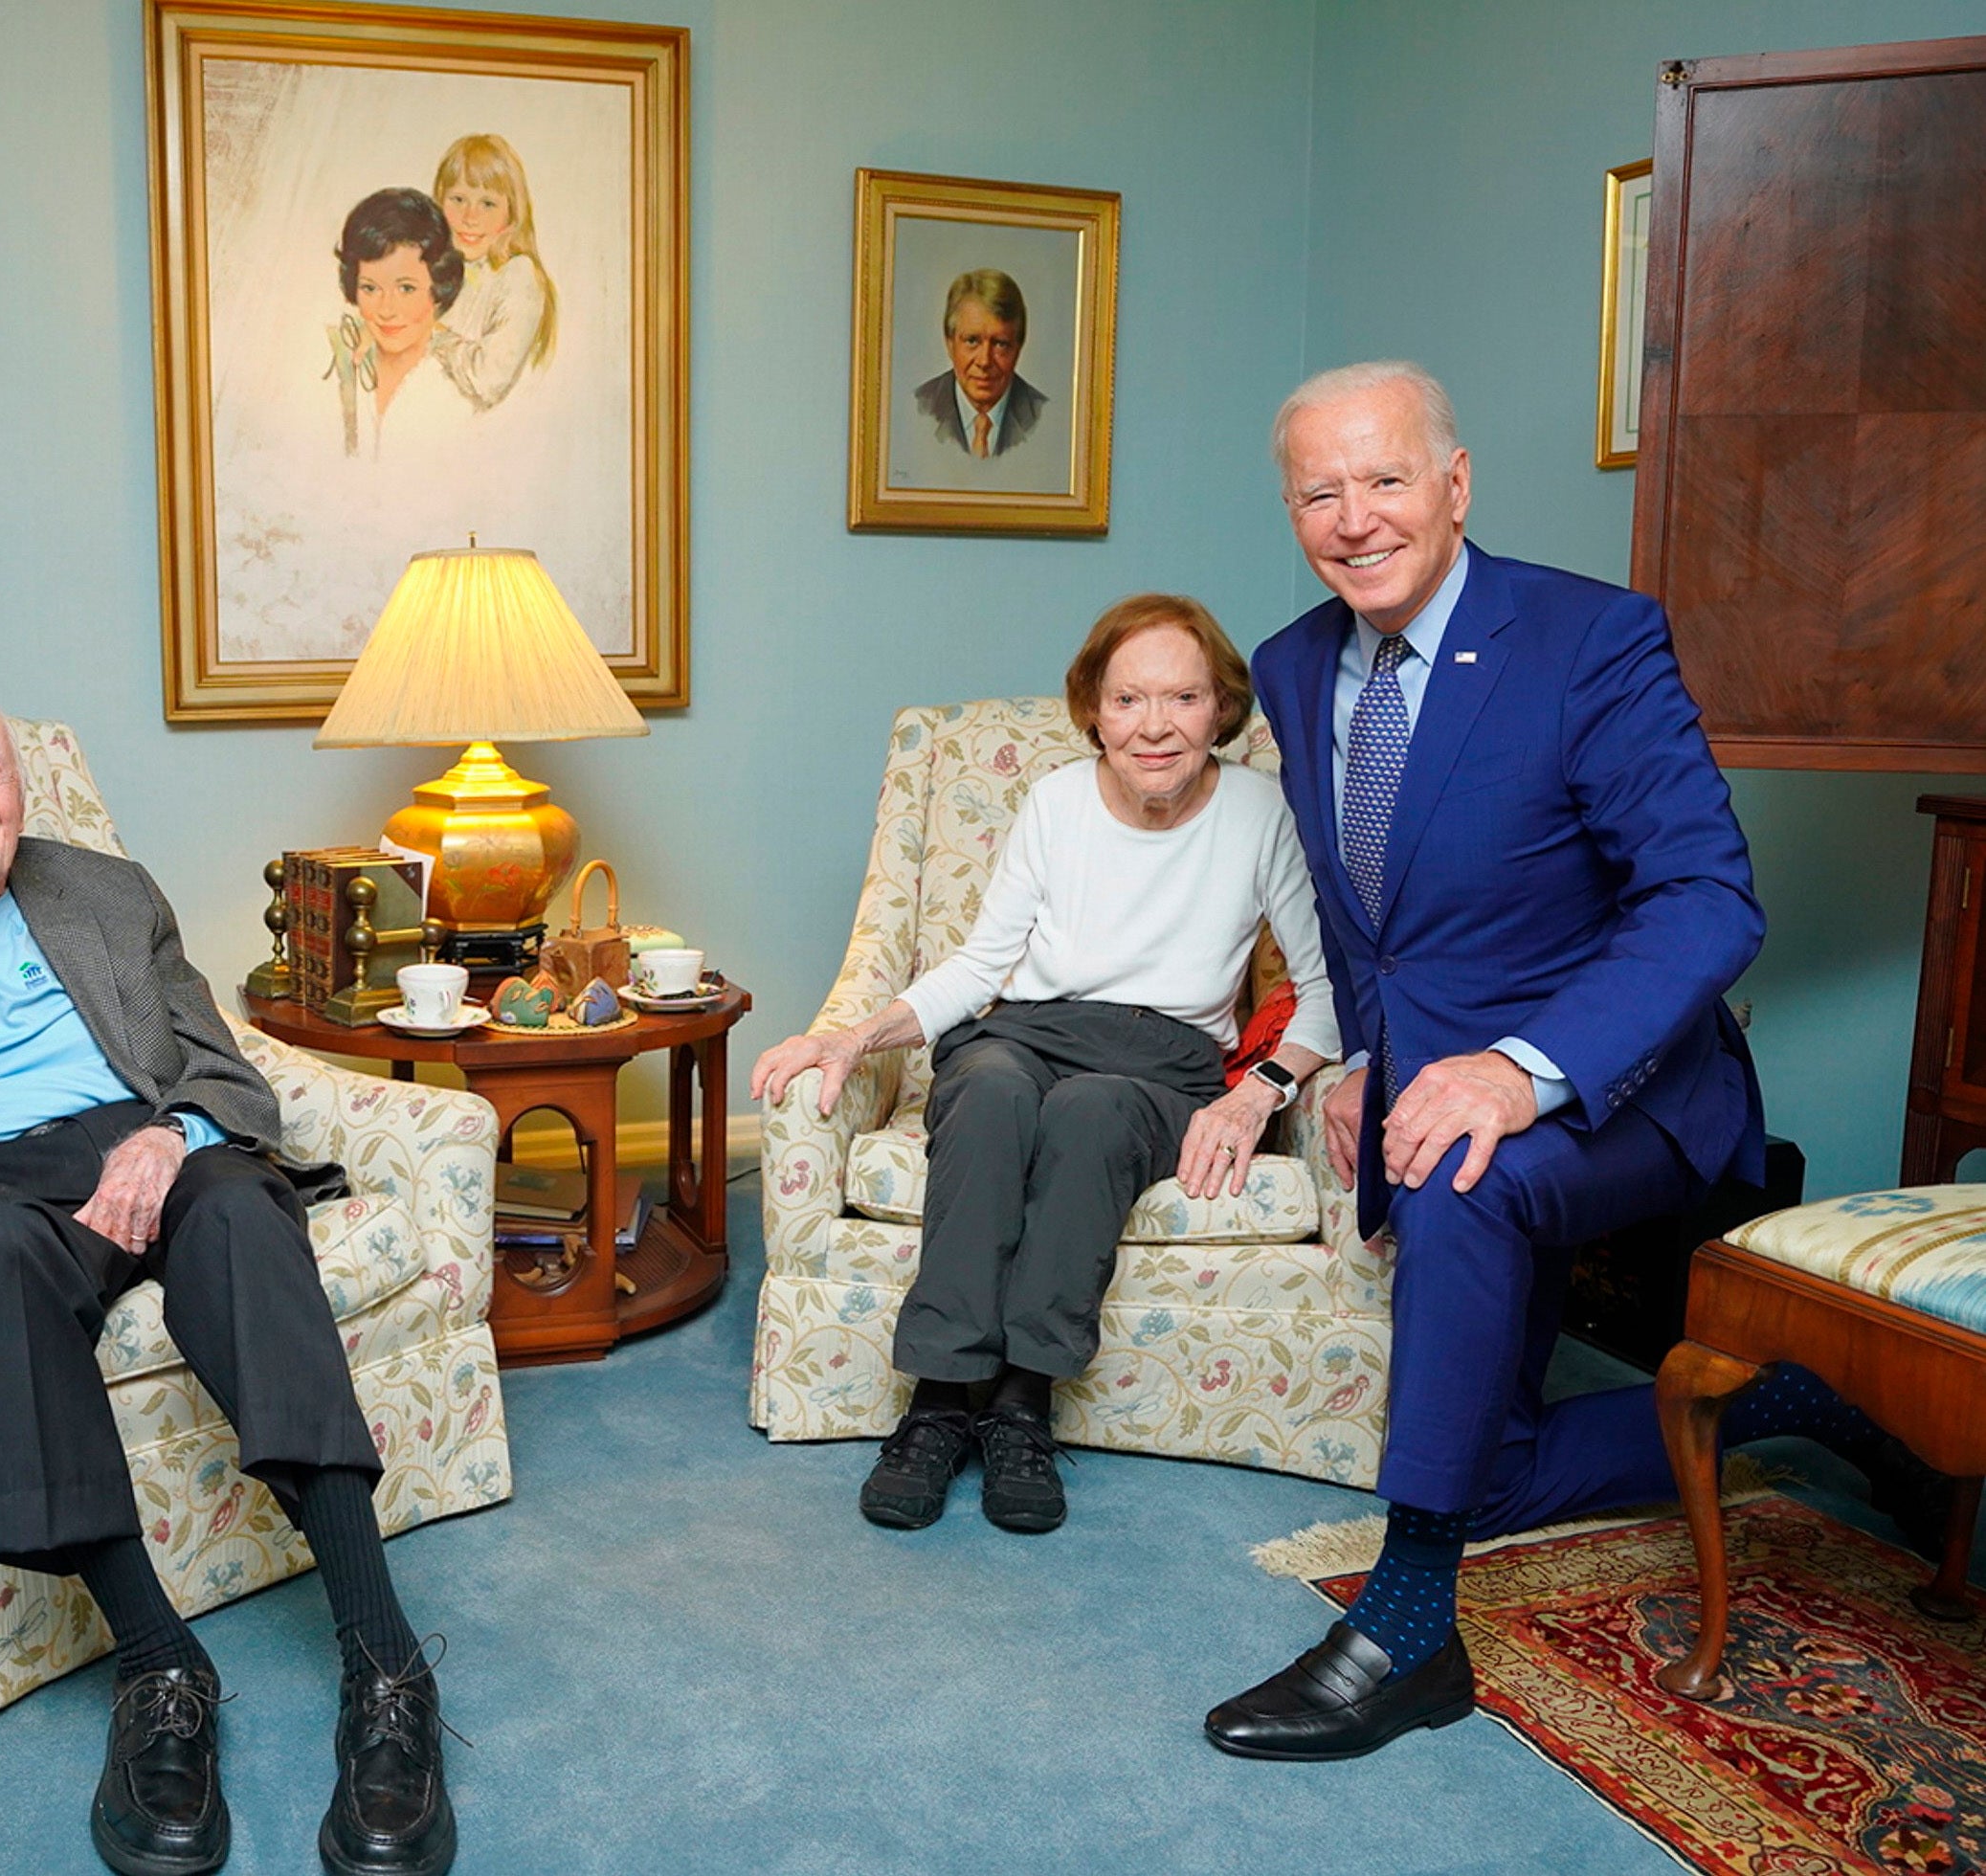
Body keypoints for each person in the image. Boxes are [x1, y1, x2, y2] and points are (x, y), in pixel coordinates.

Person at [1207, 360, 1884, 1762]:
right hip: (1427, 1088)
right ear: (1290, 512)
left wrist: (1520, 1071)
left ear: (1456, 486)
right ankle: (1799, 1402)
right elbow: (1363, 926)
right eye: (1318, 492)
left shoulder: (1592, 641)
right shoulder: (1287, 663)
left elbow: (1708, 899)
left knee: (1463, 1173)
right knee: (1485, 1470)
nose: (1355, 518)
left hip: (1619, 1090)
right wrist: (1341, 1067)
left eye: (1387, 479)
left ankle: (1404, 1631)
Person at [0, 685, 456, 1876]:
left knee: (239, 1209)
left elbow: (229, 1074)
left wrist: (170, 1134)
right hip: (0, 1183)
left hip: (153, 1139)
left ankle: (386, 1660)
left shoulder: (107, 890)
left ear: (20, 788)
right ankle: (158, 1662)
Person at [751, 594, 1341, 1537]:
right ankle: (941, 1401)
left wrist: (1257, 1093)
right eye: (1129, 699)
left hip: (1163, 1058)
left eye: (1183, 698)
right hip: (1026, 1028)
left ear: (1221, 710)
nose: (1154, 725)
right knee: (982, 1090)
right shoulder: (1058, 801)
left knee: (1092, 1114)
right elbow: (983, 966)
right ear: (1095, 711)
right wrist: (855, 1037)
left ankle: (1024, 1405)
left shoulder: (1260, 810)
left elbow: (1324, 987)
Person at [325, 187, 469, 459]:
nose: (386, 310)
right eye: (370, 288)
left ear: (439, 285)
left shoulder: (461, 386)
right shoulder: (335, 369)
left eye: (406, 289)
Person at [430, 132, 557, 412]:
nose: (470, 217)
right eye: (458, 199)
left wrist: (432, 334)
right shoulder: (439, 269)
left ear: (512, 214)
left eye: (487, 204)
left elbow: (490, 380)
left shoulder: (518, 275)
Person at [912, 269, 1049, 460]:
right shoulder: (917, 409)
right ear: (950, 343)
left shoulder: (1048, 420)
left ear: (1018, 347)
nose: (984, 361)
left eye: (1000, 344)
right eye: (972, 341)